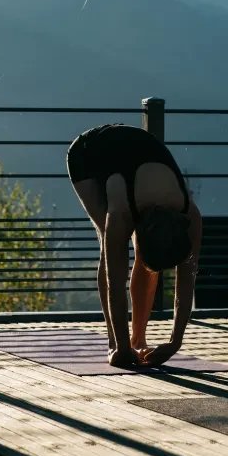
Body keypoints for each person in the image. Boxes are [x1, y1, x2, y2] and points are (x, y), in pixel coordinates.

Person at [66, 123, 202, 368]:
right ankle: (114, 343)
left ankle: (138, 339)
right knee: (108, 248)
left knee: (144, 255)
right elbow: (114, 280)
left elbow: (187, 279)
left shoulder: (189, 216)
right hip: (87, 153)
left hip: (140, 154)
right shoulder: (121, 212)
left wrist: (175, 342)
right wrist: (121, 348)